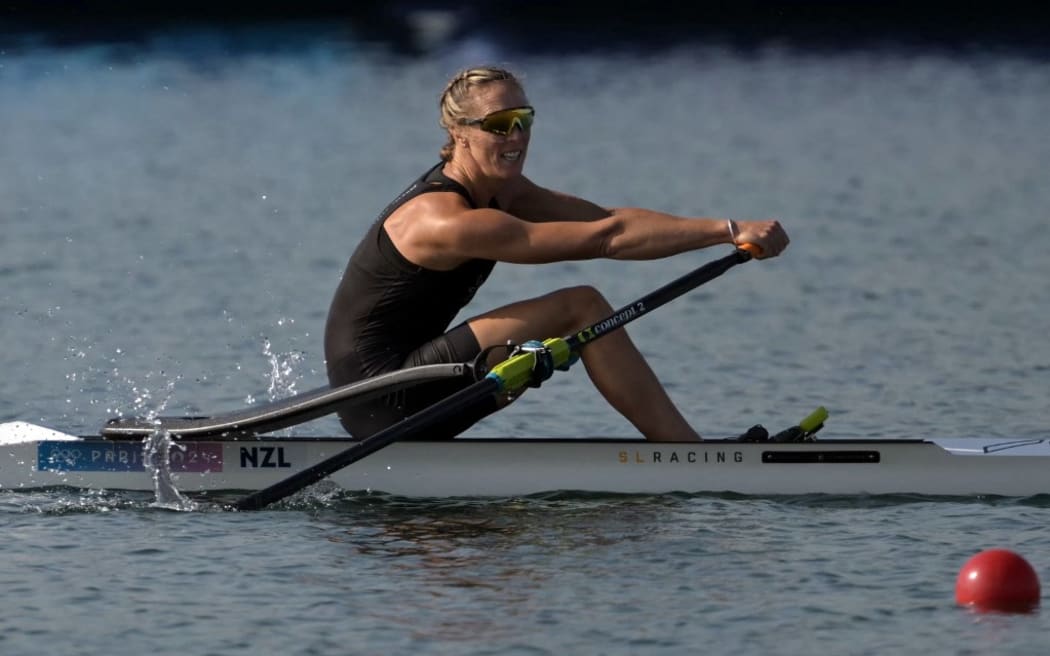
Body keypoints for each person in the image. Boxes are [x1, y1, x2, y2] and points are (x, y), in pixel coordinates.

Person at [324, 65, 789, 442]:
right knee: (581, 306)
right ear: (459, 133)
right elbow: (605, 240)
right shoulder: (447, 220)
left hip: (407, 384)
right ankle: (686, 453)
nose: (517, 137)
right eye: (500, 126)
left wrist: (727, 229)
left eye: (524, 120)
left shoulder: (504, 191)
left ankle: (679, 452)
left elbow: (604, 218)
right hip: (381, 396)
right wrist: (729, 231)